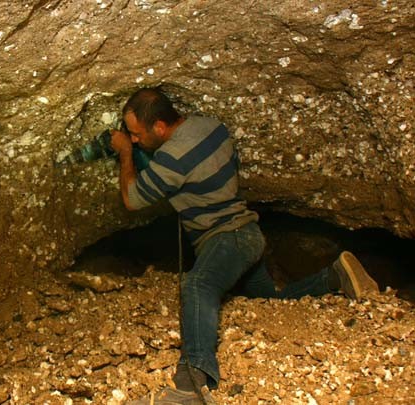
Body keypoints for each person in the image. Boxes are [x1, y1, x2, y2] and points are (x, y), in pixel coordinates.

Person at [109, 87, 379, 405]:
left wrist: (126, 153)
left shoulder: (172, 157)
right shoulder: (210, 125)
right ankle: (334, 277)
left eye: (137, 134)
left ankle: (192, 382)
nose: (136, 139)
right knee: (268, 297)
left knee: (198, 284)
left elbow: (132, 198)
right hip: (249, 233)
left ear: (159, 127)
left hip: (227, 239)